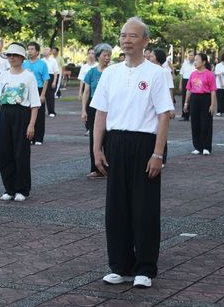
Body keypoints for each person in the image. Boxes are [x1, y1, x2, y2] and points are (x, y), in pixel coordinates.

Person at [91, 17, 174, 288]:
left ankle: (145, 268)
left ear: (145, 41)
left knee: (144, 208)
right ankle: (120, 265)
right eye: (123, 35)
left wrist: (158, 154)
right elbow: (100, 113)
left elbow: (164, 116)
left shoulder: (156, 74)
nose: (126, 40)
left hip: (144, 144)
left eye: (133, 36)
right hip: (115, 142)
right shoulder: (110, 73)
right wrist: (97, 149)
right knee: (117, 208)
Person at [0, 42, 40, 202]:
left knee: (21, 153)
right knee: (5, 152)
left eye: (15, 55)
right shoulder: (3, 75)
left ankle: (22, 189)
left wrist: (31, 124)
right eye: (9, 55)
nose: (12, 58)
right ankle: (9, 188)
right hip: (5, 114)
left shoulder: (29, 76)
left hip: (22, 115)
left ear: (22, 58)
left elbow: (35, 104)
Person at [81, 43, 112, 179]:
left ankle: (111, 166)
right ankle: (96, 168)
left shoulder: (112, 71)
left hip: (110, 107)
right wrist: (84, 110)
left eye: (109, 55)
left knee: (110, 137)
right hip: (94, 106)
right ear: (98, 56)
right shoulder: (91, 72)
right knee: (95, 138)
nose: (107, 58)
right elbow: (86, 92)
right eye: (105, 55)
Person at [184, 53, 217, 155]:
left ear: (204, 62)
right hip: (194, 99)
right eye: (194, 60)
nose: (195, 62)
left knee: (205, 123)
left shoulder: (209, 74)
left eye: (197, 60)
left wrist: (212, 104)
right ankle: (197, 147)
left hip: (205, 98)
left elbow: (213, 91)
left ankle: (206, 147)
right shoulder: (193, 74)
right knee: (195, 123)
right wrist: (186, 103)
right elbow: (189, 89)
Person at [150, 48, 176, 165]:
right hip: (152, 105)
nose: (150, 57)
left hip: (162, 105)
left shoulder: (165, 71)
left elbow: (169, 89)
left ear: (157, 58)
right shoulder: (149, 71)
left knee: (161, 129)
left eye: (152, 55)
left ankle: (162, 157)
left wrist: (170, 107)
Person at [23, 42, 49, 146]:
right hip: (27, 91)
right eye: (28, 49)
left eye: (32, 49)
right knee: (27, 114)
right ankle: (29, 137)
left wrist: (42, 95)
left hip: (38, 89)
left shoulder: (42, 64)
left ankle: (39, 137)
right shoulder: (25, 63)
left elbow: (46, 80)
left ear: (37, 52)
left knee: (39, 115)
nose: (29, 51)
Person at [178, 50, 196, 121]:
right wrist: (180, 84)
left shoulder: (196, 64)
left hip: (193, 81)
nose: (190, 57)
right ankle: (185, 115)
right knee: (184, 98)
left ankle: (193, 115)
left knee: (193, 98)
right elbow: (181, 74)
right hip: (185, 81)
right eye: (189, 55)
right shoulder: (185, 63)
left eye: (192, 55)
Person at [41, 47, 59, 117]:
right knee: (41, 94)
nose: (45, 51)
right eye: (44, 50)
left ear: (50, 52)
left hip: (50, 77)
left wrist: (54, 81)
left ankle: (51, 111)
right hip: (42, 77)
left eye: (46, 50)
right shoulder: (41, 60)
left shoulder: (53, 60)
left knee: (50, 96)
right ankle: (42, 111)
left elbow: (55, 72)